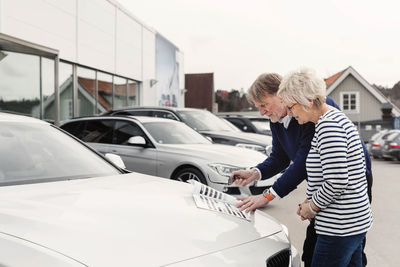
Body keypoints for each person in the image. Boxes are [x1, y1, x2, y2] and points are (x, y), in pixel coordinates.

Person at [231, 72, 372, 267]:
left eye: (264, 105)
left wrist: (274, 197)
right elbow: (284, 158)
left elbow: (318, 170)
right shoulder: (300, 116)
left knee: (331, 251)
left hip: (343, 210)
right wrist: (255, 173)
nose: (262, 112)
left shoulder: (323, 121)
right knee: (329, 251)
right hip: (334, 203)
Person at [277, 68, 372, 266]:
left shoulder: (329, 126)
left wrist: (311, 207)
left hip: (340, 227)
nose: (289, 112)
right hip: (351, 223)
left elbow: (337, 181)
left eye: (291, 106)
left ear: (309, 101)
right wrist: (309, 199)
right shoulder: (333, 119)